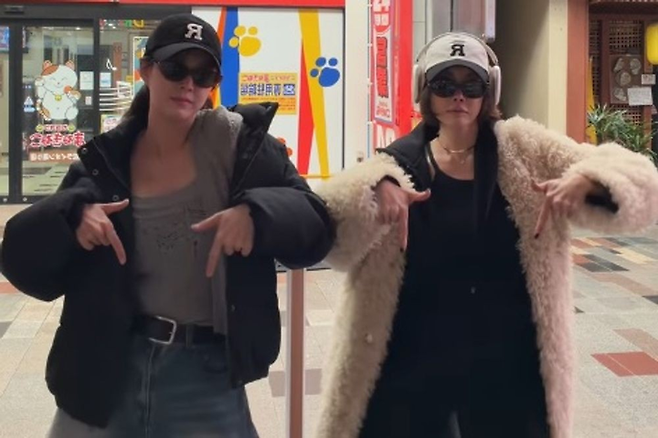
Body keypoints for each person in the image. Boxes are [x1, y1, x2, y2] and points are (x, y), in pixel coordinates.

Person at [0, 13, 334, 438]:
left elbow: (316, 224)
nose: (188, 84)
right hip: (106, 369)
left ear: (214, 84)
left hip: (206, 377)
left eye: (203, 75)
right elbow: (21, 263)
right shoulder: (107, 161)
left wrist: (257, 214)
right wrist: (71, 217)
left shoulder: (240, 149)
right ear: (146, 70)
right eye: (175, 69)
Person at [314, 32, 658, 438]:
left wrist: (590, 179)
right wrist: (373, 189)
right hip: (413, 362)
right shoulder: (395, 165)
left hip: (508, 363)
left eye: (471, 85)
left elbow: (645, 186)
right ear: (425, 90)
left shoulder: (525, 151)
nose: (458, 96)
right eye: (444, 84)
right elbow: (328, 230)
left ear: (489, 90)